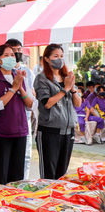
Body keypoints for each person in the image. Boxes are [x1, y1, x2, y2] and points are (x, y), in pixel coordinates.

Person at [0, 44, 35, 184]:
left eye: (12, 55)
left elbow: (31, 105)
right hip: (0, 134)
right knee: (1, 174)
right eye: (6, 55)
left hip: (20, 131)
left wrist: (20, 87)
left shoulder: (19, 77)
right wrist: (13, 88)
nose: (11, 58)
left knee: (17, 176)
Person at [34, 44, 81, 179]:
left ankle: (59, 199)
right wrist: (65, 89)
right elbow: (47, 104)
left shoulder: (67, 77)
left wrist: (72, 88)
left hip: (68, 131)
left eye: (61, 56)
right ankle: (48, 198)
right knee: (49, 174)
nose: (59, 59)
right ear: (47, 59)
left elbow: (77, 104)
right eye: (55, 56)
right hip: (50, 131)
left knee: (62, 174)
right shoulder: (41, 78)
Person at [6, 38, 36, 179]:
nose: (17, 52)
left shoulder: (27, 72)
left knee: (26, 155)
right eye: (14, 50)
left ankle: (23, 182)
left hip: (25, 116)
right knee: (9, 156)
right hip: (8, 117)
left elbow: (32, 95)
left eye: (19, 49)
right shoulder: (1, 71)